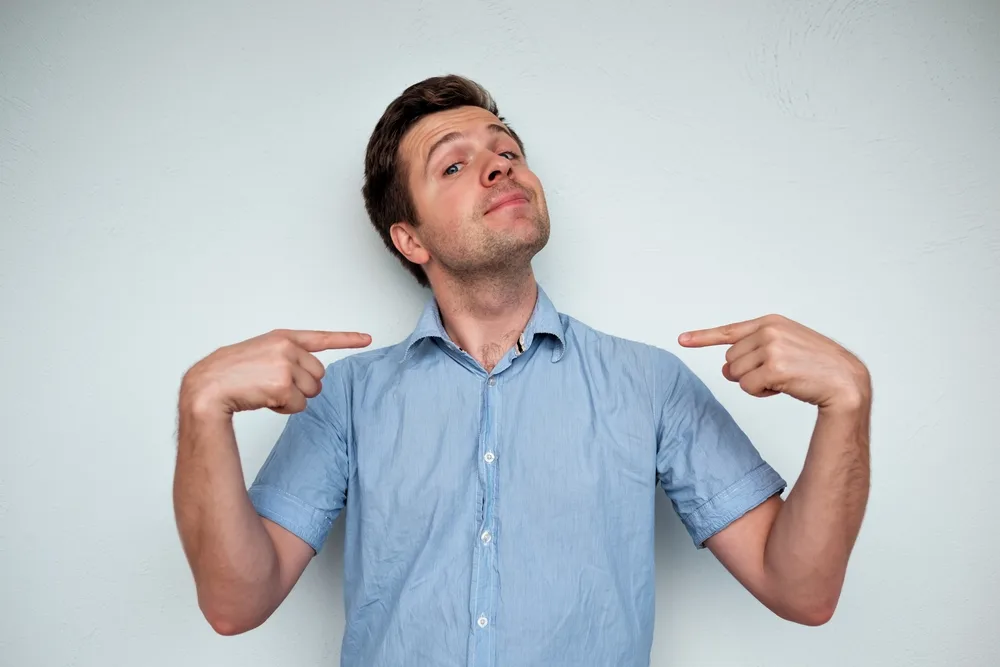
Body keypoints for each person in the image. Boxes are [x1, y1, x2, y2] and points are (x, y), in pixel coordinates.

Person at [173, 74, 872, 666]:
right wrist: (201, 409)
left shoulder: (650, 385)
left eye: (507, 150)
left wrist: (848, 404)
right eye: (454, 164)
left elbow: (800, 588)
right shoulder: (345, 399)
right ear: (409, 238)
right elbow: (236, 604)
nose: (501, 164)